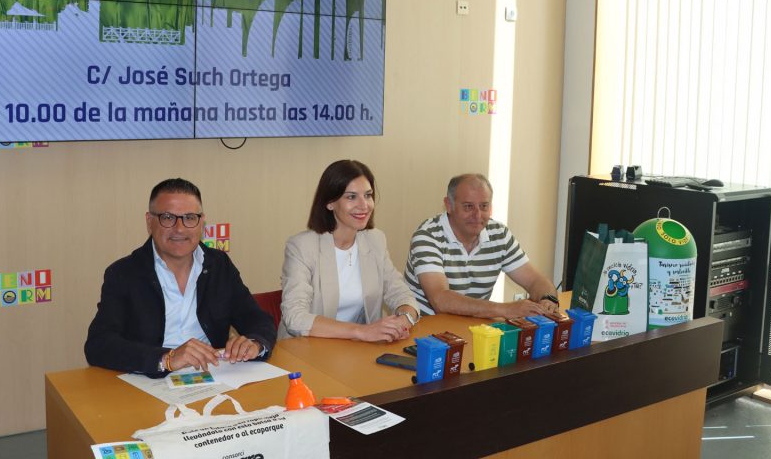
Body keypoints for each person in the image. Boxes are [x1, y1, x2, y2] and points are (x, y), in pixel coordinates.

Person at [85, 178, 275, 377]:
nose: (180, 229)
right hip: (149, 380)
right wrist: (167, 359)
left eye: (189, 217)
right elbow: (99, 344)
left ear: (201, 222)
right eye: (168, 217)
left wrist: (255, 343)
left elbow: (257, 318)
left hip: (211, 376)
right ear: (149, 221)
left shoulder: (219, 265)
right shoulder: (124, 273)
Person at [280, 160, 420, 341]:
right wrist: (361, 331)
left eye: (368, 195)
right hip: (306, 349)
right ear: (330, 203)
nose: (364, 205)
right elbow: (295, 317)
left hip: (355, 348)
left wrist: (403, 321)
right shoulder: (302, 246)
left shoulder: (375, 240)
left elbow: (401, 294)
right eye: (351, 197)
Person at [404, 173, 560, 319]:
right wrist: (507, 309)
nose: (477, 215)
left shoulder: (499, 234)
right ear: (449, 205)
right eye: (468, 206)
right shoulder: (427, 236)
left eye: (484, 206)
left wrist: (548, 299)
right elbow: (440, 300)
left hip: (474, 327)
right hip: (426, 331)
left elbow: (535, 280)